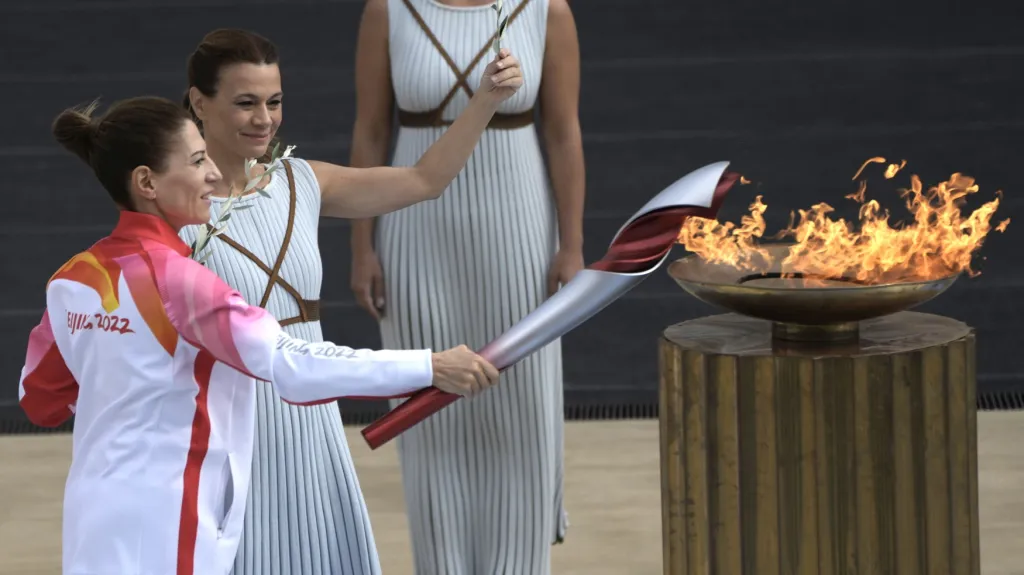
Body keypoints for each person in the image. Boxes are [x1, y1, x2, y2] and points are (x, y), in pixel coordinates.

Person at [18, 96, 501, 575]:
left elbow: (39, 400)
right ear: (147, 182)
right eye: (196, 160)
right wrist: (429, 366)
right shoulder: (182, 283)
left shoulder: (73, 279)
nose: (212, 174)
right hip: (176, 523)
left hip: (93, 519)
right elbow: (291, 364)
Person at [175, 28, 523, 575]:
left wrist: (485, 102)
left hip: (311, 415)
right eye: (245, 103)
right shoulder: (175, 210)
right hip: (227, 419)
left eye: (274, 101)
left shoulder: (301, 181)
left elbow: (424, 180)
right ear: (199, 102)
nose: (264, 119)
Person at [348, 0, 585, 573]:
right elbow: (372, 129)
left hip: (521, 229)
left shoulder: (545, 9)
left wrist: (572, 245)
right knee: (429, 410)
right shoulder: (388, 9)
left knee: (521, 411)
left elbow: (562, 132)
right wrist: (362, 247)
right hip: (416, 235)